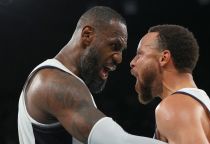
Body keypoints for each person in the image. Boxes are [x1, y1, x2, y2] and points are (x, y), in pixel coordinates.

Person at [18, 6, 167, 144]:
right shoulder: (53, 82)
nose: (119, 58)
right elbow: (117, 141)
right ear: (87, 35)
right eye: (115, 46)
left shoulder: (64, 80)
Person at [130, 24, 210, 144]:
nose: (132, 62)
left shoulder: (176, 107)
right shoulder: (195, 102)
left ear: (163, 58)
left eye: (140, 54)